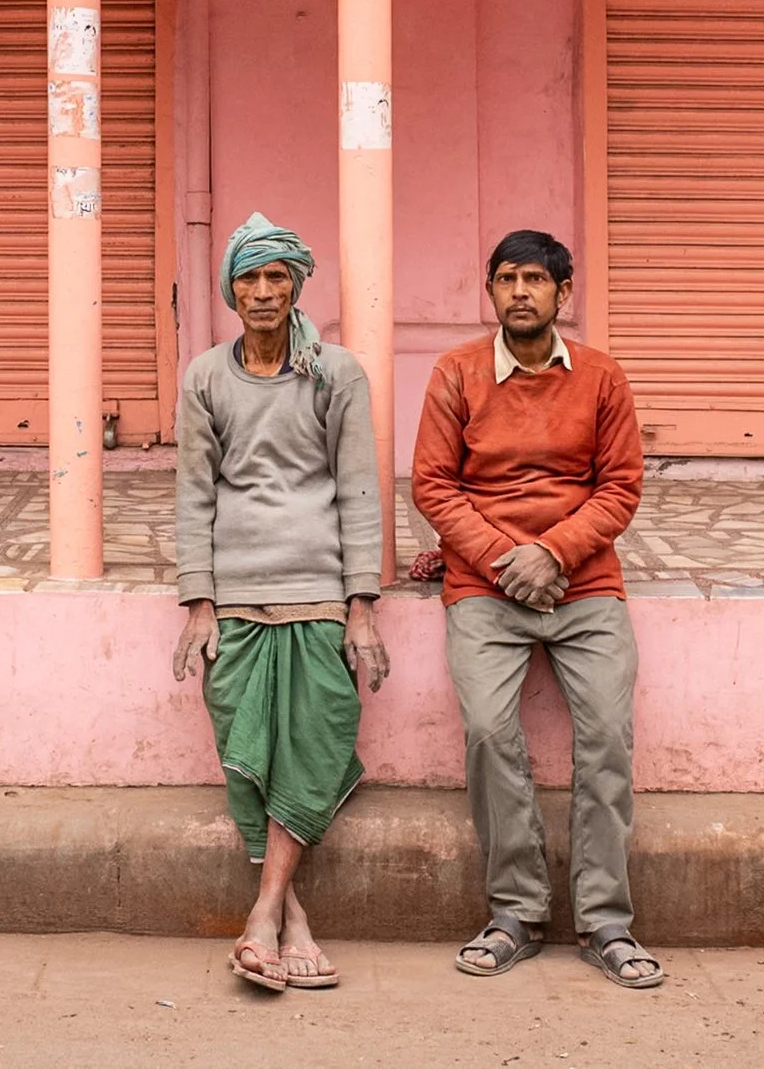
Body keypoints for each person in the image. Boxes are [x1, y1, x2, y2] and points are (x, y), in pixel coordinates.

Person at [411, 228, 662, 989]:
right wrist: (503, 558)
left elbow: (620, 487)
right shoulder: (455, 373)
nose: (521, 291)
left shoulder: (602, 377)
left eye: (536, 279)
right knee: (490, 730)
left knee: (608, 734)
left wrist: (552, 553)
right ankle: (515, 912)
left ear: (563, 293)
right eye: (507, 278)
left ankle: (605, 919)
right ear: (490, 290)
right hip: (487, 586)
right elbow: (432, 485)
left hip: (582, 584)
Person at [174, 212, 389, 994]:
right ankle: (285, 917)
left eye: (276, 277)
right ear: (230, 288)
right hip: (236, 593)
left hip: (319, 593)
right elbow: (194, 495)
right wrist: (198, 600)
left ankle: (264, 911)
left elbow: (361, 489)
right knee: (246, 751)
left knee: (317, 736)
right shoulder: (203, 376)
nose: (263, 291)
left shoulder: (336, 372)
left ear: (297, 283)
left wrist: (360, 603)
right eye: (249, 277)